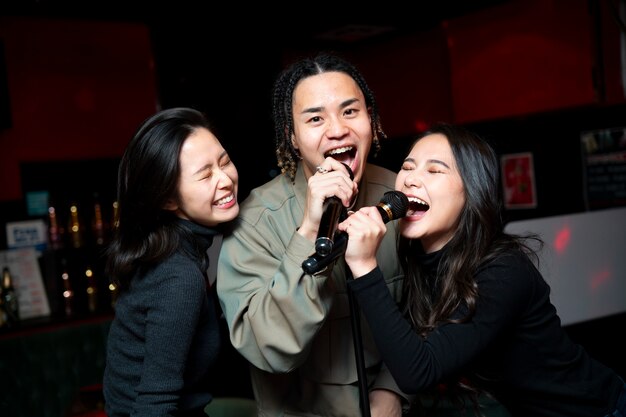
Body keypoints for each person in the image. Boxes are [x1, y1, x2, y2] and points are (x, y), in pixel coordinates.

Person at [339, 122, 626, 416]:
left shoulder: (503, 270)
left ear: (471, 191)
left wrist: (364, 266)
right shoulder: (418, 262)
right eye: (407, 167)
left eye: (435, 170)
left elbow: (418, 372)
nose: (411, 179)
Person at [216, 53, 410, 416]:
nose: (337, 129)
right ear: (292, 138)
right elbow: (268, 347)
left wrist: (393, 391)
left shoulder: (398, 195)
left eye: (350, 112)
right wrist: (308, 231)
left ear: (372, 120)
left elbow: (434, 306)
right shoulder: (255, 222)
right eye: (316, 118)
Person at [103, 107, 240, 417]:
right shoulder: (178, 276)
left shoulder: (171, 250)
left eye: (225, 162)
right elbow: (154, 404)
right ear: (167, 198)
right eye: (205, 174)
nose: (225, 179)